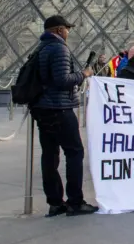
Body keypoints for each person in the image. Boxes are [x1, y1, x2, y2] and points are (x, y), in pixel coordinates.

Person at [31, 15, 97, 217]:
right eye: (67, 28)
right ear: (59, 30)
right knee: (75, 153)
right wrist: (83, 74)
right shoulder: (59, 48)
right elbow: (62, 80)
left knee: (49, 157)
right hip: (59, 109)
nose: (68, 32)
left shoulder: (40, 48)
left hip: (43, 109)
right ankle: (75, 202)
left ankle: (55, 202)